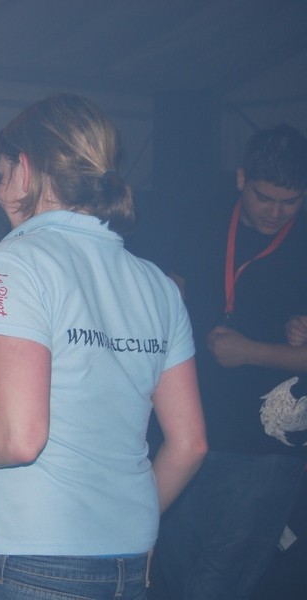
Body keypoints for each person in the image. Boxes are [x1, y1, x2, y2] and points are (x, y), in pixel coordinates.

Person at [0, 94, 207, 600]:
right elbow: (189, 446)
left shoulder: (15, 263)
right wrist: (123, 529)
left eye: (2, 175)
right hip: (127, 565)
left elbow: (19, 436)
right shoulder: (157, 284)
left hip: (30, 566)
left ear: (26, 170)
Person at [155, 124, 307, 600]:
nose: (276, 212)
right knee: (172, 567)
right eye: (265, 198)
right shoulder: (203, 218)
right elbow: (172, 290)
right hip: (187, 426)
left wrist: (252, 352)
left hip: (264, 445)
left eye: (291, 201)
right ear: (242, 178)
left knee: (217, 579)